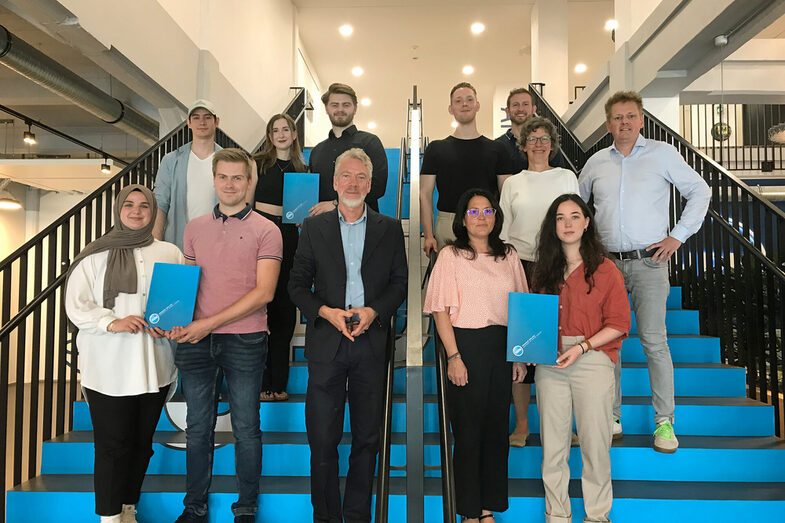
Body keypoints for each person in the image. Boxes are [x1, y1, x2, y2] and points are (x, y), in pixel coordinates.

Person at [578, 90, 711, 453]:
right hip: (606, 265)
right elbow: (577, 206)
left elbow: (700, 192)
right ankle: (612, 415)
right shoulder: (594, 163)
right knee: (608, 342)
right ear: (608, 125)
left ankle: (664, 423)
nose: (624, 123)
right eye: (617, 117)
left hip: (651, 262)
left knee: (654, 341)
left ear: (641, 120)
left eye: (630, 116)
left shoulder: (663, 154)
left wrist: (677, 237)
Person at [288, 148, 407, 523]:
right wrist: (326, 312)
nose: (353, 183)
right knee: (322, 441)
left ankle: (357, 516)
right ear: (335, 182)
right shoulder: (314, 228)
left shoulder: (389, 229)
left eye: (361, 178)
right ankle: (325, 516)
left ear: (370, 186)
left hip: (371, 344)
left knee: (367, 440)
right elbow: (296, 286)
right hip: (327, 342)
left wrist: (373, 312)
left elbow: (399, 283)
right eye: (347, 176)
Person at [170, 148, 282, 523]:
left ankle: (246, 506)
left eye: (238, 177)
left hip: (246, 340)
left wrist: (206, 323)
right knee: (198, 427)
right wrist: (174, 318)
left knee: (247, 427)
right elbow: (187, 286)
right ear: (214, 180)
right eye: (223, 177)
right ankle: (194, 507)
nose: (230, 184)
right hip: (195, 341)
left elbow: (264, 293)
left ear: (249, 182)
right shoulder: (194, 227)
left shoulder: (268, 230)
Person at [64, 184, 184, 523]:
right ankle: (109, 517)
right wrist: (111, 322)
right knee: (112, 448)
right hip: (108, 368)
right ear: (118, 210)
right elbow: (76, 306)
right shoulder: (94, 255)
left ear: (153, 212)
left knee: (142, 445)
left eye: (144, 206)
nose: (136, 211)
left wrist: (172, 325)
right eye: (129, 205)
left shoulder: (170, 252)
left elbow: (176, 305)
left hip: (154, 366)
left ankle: (128, 507)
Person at [424, 188, 527, 523]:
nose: (482, 217)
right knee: (467, 432)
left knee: (497, 430)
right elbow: (439, 310)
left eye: (488, 211)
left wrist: (521, 356)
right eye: (473, 212)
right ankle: (468, 510)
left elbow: (522, 307)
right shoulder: (451, 255)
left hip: (502, 347)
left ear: (496, 216)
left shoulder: (508, 255)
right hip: (465, 347)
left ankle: (488, 507)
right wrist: (453, 356)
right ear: (462, 219)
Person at [531, 193, 630, 523]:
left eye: (575, 216)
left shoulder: (606, 270)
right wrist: (530, 349)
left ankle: (597, 516)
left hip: (592, 359)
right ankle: (557, 516)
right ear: (553, 226)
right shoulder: (545, 270)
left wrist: (583, 347)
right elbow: (534, 320)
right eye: (560, 218)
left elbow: (619, 323)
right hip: (551, 362)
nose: (568, 223)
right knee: (553, 448)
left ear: (587, 222)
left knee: (595, 445)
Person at [499, 115, 580, 448]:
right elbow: (502, 232)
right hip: (521, 266)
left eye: (545, 138)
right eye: (533, 138)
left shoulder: (566, 177)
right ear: (523, 144)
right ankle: (521, 424)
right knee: (523, 345)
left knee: (560, 346)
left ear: (553, 144)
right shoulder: (513, 183)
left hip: (559, 265)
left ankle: (562, 426)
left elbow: (577, 218)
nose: (539, 143)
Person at [420, 82, 515, 254]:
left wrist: (505, 230)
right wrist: (428, 235)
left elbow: (507, 195)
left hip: (486, 222)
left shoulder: (497, 149)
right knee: (448, 280)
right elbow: (424, 194)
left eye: (469, 99)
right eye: (458, 101)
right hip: (448, 224)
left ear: (477, 105)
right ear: (451, 108)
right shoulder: (435, 149)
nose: (464, 104)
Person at [252, 113, 307, 402]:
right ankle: (262, 382)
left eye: (286, 129)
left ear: (294, 134)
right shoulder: (258, 163)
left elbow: (305, 212)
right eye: (276, 130)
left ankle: (279, 383)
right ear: (270, 136)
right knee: (261, 308)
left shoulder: (304, 168)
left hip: (290, 237)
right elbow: (248, 203)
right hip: (260, 233)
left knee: (285, 309)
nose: (282, 134)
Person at [308, 83, 388, 214]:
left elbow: (378, 186)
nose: (340, 109)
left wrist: (336, 204)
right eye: (334, 105)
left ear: (355, 109)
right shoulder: (317, 151)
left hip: (363, 225)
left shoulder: (371, 142)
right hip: (325, 226)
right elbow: (312, 190)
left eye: (346, 105)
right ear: (326, 109)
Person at [153, 100, 223, 250]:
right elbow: (160, 204)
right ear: (189, 123)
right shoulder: (171, 160)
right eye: (196, 117)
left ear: (216, 122)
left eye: (207, 117)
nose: (202, 122)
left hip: (219, 244)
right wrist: (156, 245)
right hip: (178, 244)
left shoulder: (229, 161)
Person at [495, 87, 571, 172]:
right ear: (507, 111)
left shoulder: (546, 145)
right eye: (515, 105)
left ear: (533, 109)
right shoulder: (497, 146)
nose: (520, 109)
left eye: (525, 104)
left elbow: (559, 176)